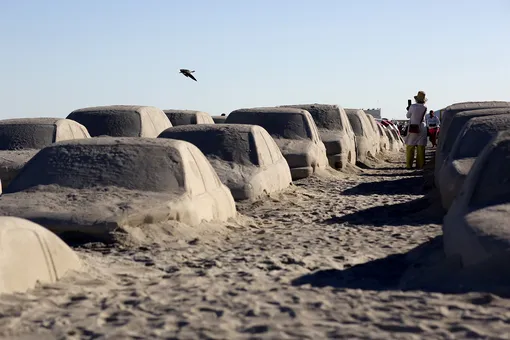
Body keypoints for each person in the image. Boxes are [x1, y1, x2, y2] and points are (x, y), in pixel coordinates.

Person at [405, 91, 428, 169]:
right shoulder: (425, 107)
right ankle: (420, 165)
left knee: (410, 146)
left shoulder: (412, 106)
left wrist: (408, 109)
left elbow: (408, 116)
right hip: (422, 127)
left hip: (413, 127)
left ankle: (409, 165)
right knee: (421, 147)